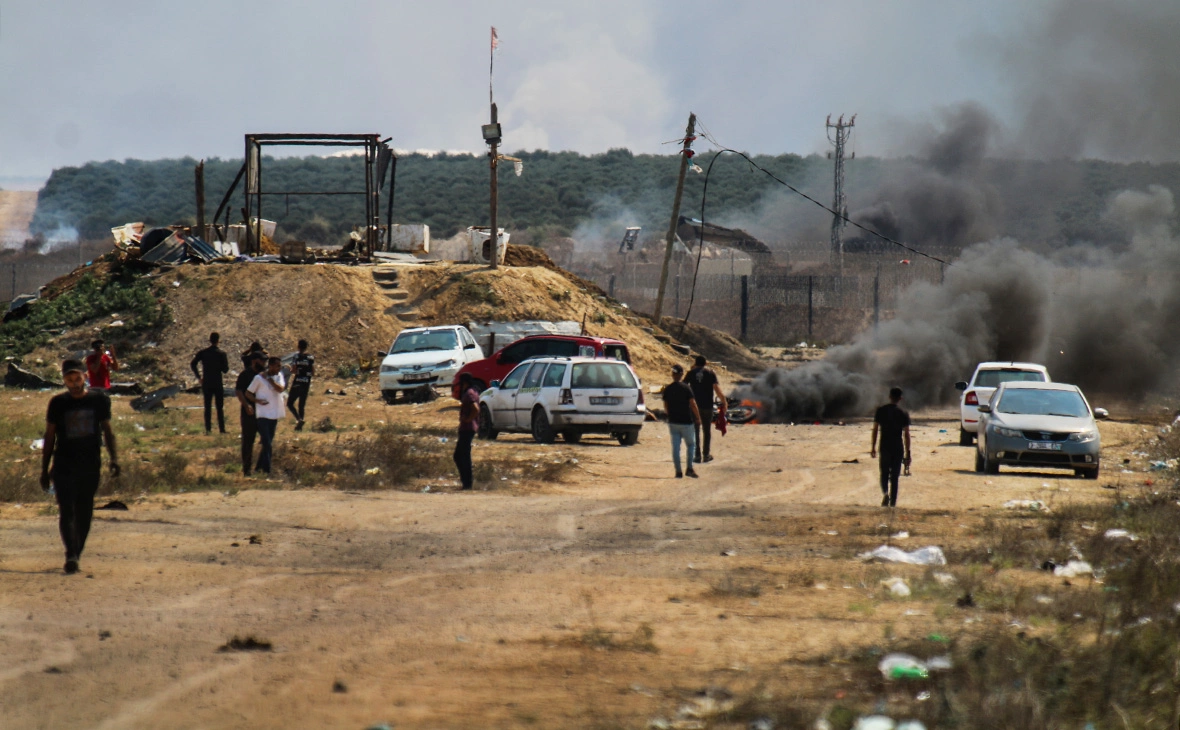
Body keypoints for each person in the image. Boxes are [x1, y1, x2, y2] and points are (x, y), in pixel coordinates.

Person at [40, 359, 120, 574]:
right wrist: (44, 469)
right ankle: (71, 554)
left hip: (90, 463)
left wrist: (114, 458)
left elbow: (107, 431)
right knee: (66, 509)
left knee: (84, 510)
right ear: (64, 381)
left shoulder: (98, 400)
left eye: (77, 379)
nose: (74, 384)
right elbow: (49, 437)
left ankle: (77, 551)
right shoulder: (57, 403)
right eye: (69, 380)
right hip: (64, 463)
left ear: (85, 377)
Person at [871, 387, 912, 508]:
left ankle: (885, 493)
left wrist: (873, 447)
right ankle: (893, 503)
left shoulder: (881, 410)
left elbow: (875, 430)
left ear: (889, 396)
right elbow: (906, 434)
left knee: (884, 473)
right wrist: (908, 453)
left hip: (884, 446)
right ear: (900, 398)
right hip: (898, 447)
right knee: (895, 476)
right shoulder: (903, 413)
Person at [247, 356, 287, 475]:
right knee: (267, 443)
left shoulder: (279, 376)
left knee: (267, 443)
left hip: (274, 414)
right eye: (277, 366)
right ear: (270, 366)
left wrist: (269, 380)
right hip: (263, 414)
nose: (279, 368)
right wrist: (257, 401)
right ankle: (267, 470)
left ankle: (258, 468)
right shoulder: (258, 378)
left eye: (280, 366)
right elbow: (248, 393)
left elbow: (280, 389)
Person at [661, 364, 701, 478]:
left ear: (672, 374)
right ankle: (689, 468)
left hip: (673, 422)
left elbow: (666, 405)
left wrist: (669, 415)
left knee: (676, 448)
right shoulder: (686, 388)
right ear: (681, 374)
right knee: (691, 445)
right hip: (686, 421)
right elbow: (693, 404)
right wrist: (698, 417)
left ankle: (678, 471)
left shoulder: (668, 389)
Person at [687, 355, 727, 464]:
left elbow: (684, 387)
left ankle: (697, 456)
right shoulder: (710, 373)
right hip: (707, 406)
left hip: (695, 406)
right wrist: (724, 401)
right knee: (707, 430)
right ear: (705, 363)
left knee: (695, 430)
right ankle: (706, 455)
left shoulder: (691, 373)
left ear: (695, 363)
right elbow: (717, 389)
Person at [191, 332, 230, 435]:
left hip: (207, 382)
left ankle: (208, 429)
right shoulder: (221, 354)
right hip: (217, 382)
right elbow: (225, 370)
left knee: (207, 407)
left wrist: (199, 377)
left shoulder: (203, 353)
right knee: (219, 407)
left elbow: (193, 364)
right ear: (218, 340)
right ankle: (222, 429)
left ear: (210, 340)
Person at [235, 353, 266, 477]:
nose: (264, 363)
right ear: (254, 361)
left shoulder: (265, 374)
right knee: (248, 441)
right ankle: (246, 470)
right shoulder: (245, 374)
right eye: (261, 360)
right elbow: (239, 391)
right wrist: (246, 405)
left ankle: (260, 468)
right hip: (249, 413)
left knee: (266, 441)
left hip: (264, 412)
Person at [453, 372, 480, 490]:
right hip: (468, 428)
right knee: (461, 455)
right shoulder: (473, 391)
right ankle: (466, 482)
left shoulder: (469, 394)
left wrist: (468, 419)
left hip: (467, 428)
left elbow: (476, 409)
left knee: (461, 456)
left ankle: (467, 483)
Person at [287, 339, 315, 431]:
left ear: (298, 346)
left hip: (297, 382)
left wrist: (289, 369)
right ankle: (300, 426)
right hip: (306, 383)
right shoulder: (311, 357)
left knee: (290, 403)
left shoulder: (296, 356)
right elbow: (313, 372)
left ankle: (299, 419)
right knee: (301, 405)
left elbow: (294, 370)